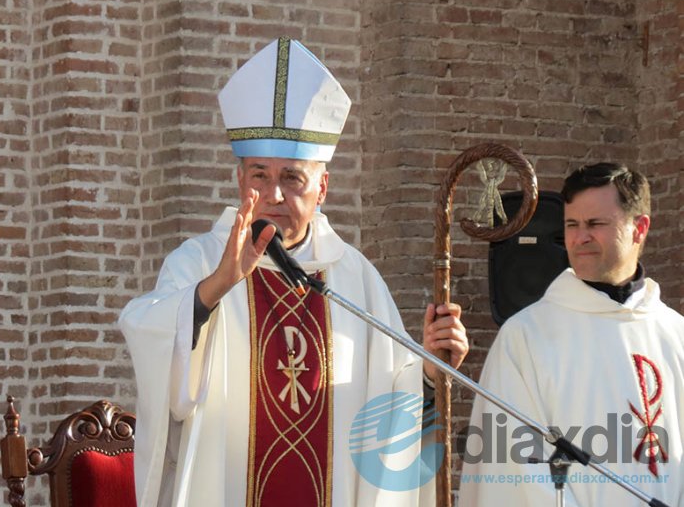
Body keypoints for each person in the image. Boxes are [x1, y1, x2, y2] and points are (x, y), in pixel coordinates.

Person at [120, 37, 469, 507]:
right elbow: (152, 346)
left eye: (292, 178)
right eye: (260, 176)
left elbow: (386, 406)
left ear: (322, 187)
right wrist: (218, 286)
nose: (274, 195)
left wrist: (429, 369)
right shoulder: (200, 263)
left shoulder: (354, 278)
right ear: (240, 181)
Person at [457, 162, 684, 507]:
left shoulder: (675, 333)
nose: (579, 238)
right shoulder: (526, 338)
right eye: (571, 225)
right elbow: (516, 470)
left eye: (595, 224)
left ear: (640, 228)